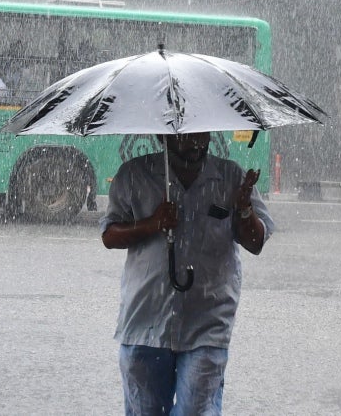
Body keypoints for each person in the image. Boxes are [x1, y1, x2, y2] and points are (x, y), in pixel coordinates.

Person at [100, 132, 274, 415]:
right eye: (183, 136)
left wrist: (243, 210)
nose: (195, 141)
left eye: (201, 133)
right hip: (145, 321)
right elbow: (109, 235)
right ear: (162, 136)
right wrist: (152, 224)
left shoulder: (230, 177)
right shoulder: (134, 175)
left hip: (207, 322)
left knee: (197, 410)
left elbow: (255, 242)